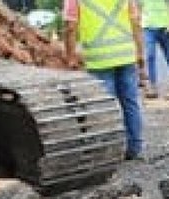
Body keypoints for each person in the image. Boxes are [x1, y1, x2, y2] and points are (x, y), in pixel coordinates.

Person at [62, 0, 148, 160]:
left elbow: (70, 26)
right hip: (126, 54)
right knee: (130, 102)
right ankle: (134, 148)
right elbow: (135, 20)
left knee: (105, 107)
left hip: (98, 59)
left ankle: (109, 150)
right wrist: (140, 52)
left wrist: (70, 56)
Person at [140, 0, 169, 98]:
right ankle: (153, 86)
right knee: (150, 55)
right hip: (148, 28)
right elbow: (137, 7)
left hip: (164, 29)